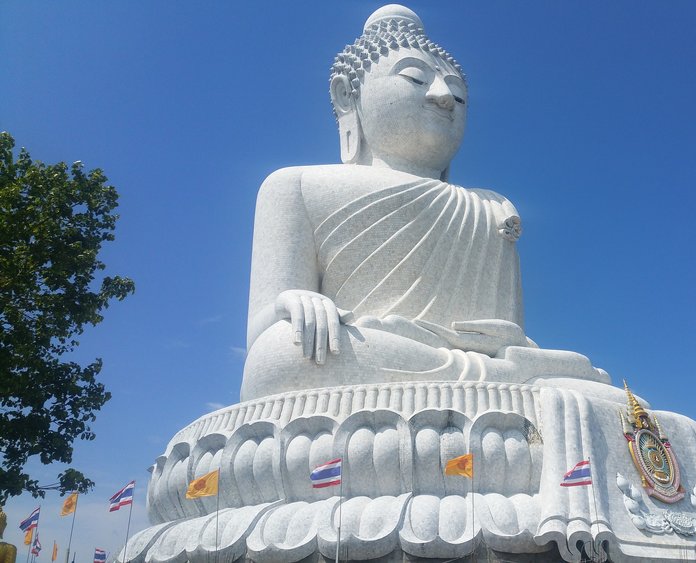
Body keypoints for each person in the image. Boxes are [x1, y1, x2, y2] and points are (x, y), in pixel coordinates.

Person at [241, 5, 609, 401]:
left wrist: (510, 347)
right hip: (367, 349)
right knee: (282, 352)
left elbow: (506, 335)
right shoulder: (293, 185)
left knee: (611, 392)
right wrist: (291, 302)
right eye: (415, 77)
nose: (442, 97)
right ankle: (501, 381)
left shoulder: (490, 207)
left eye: (458, 94)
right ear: (347, 94)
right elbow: (259, 335)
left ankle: (503, 379)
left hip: (465, 364)